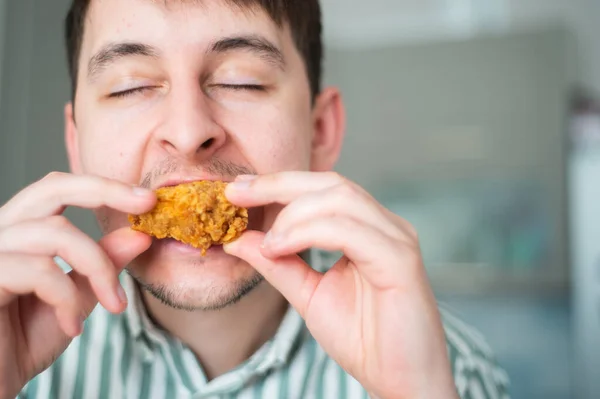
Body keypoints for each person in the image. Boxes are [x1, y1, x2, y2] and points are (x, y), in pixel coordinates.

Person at [0, 0, 510, 398]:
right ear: (76, 144)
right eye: (130, 87)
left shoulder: (448, 371)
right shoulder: (19, 363)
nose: (187, 130)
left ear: (321, 129)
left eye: (239, 80)